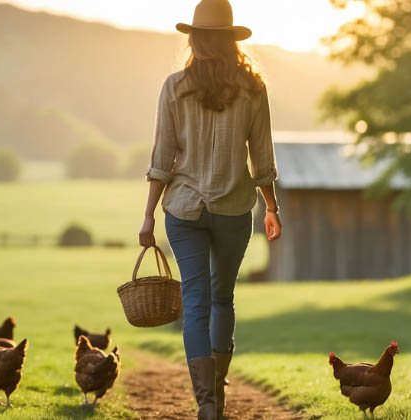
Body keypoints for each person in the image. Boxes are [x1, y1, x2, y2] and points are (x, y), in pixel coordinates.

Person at [138, 1, 281, 418]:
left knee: (196, 302)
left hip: (183, 209)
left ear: (195, 39)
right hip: (234, 208)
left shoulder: (174, 87)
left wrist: (148, 215)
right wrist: (272, 207)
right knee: (222, 299)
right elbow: (263, 158)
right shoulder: (254, 88)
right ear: (232, 41)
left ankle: (207, 405)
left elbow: (162, 158)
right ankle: (217, 390)